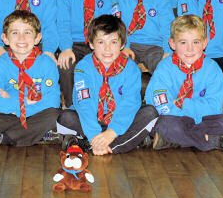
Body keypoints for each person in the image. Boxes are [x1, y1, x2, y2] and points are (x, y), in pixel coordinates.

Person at [56, 15, 158, 155]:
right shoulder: (83, 68)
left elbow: (129, 104)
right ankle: (117, 143)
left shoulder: (131, 69)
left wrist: (111, 132)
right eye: (101, 42)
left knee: (150, 113)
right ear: (91, 44)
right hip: (91, 120)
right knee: (65, 117)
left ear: (122, 44)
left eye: (113, 42)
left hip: (120, 119)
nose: (107, 48)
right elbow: (84, 103)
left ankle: (94, 145)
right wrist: (93, 133)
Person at [146, 15, 223, 151]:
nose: (190, 49)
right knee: (165, 124)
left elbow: (214, 108)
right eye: (183, 43)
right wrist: (191, 111)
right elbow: (161, 106)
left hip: (203, 121)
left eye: (196, 42)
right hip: (175, 120)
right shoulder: (164, 68)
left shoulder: (212, 69)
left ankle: (174, 140)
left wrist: (182, 103)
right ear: (172, 44)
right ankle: (215, 141)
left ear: (205, 43)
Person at [0, 11, 62, 147]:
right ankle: (36, 134)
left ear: (37, 38)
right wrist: (22, 102)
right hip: (11, 114)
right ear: (5, 38)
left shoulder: (47, 64)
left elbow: (53, 101)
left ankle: (4, 138)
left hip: (37, 114)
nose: (21, 38)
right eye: (15, 33)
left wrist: (15, 105)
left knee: (54, 116)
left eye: (27, 32)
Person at [56, 0, 114, 107]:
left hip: (99, 42)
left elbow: (111, 24)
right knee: (66, 65)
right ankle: (71, 107)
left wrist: (104, 45)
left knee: (104, 65)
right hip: (73, 43)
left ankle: (101, 106)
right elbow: (63, 24)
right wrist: (66, 48)